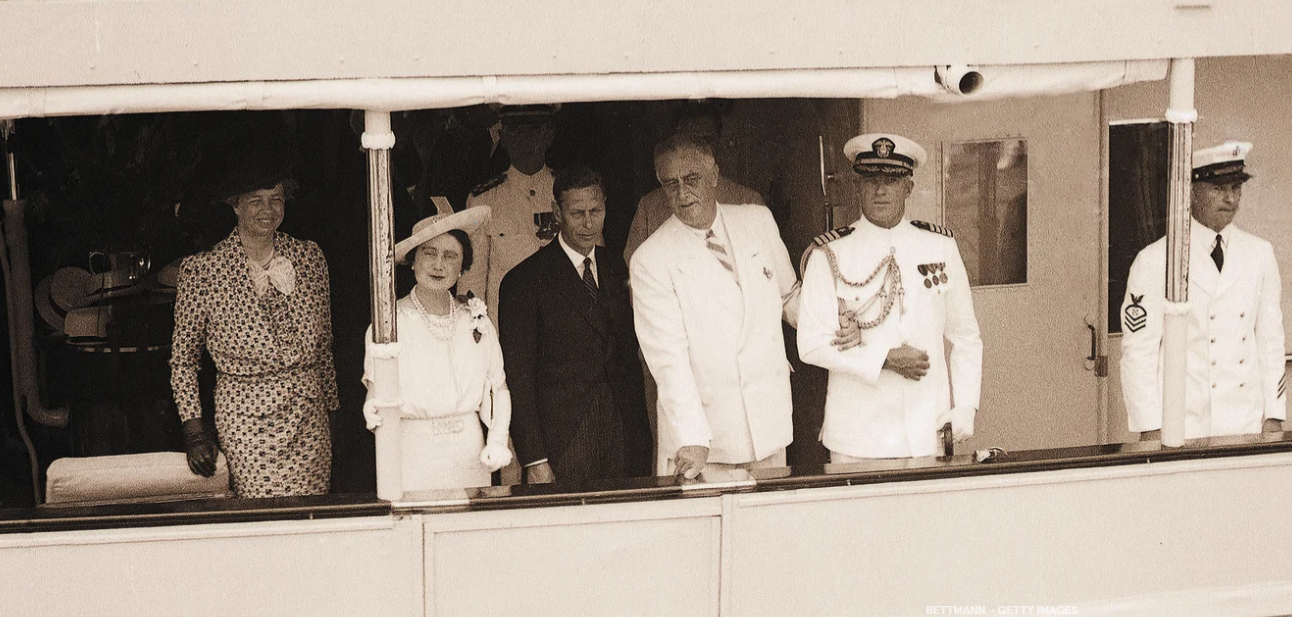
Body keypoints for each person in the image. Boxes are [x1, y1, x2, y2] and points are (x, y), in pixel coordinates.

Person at [797, 133, 983, 461]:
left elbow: (966, 336)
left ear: (908, 187)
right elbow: (811, 344)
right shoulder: (830, 252)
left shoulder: (939, 246)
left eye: (892, 180)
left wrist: (965, 405)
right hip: (858, 439)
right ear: (857, 187)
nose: (881, 190)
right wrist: (884, 358)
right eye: (870, 180)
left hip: (927, 431)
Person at [171, 145, 338, 498]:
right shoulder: (202, 271)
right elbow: (184, 361)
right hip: (247, 420)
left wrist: (333, 409)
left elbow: (324, 345)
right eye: (255, 200)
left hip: (309, 419)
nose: (268, 210)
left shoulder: (309, 257)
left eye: (275, 199)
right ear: (235, 204)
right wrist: (195, 432)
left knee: (312, 521)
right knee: (262, 521)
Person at [629, 134, 800, 479]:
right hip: (706, 441)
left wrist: (835, 322)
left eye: (691, 179)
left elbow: (789, 297)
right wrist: (692, 436)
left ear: (714, 175)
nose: (682, 193)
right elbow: (667, 358)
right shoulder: (650, 258)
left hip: (767, 425)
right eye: (670, 184)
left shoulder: (757, 220)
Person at [1120, 140, 1286, 440]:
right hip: (1183, 428)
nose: (1230, 199)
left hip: (1244, 424)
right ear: (1192, 192)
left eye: (1236, 188)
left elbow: (1271, 342)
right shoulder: (1157, 259)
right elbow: (1139, 353)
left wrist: (1274, 415)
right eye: (1219, 188)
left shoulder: (1260, 254)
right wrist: (1149, 427)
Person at [498, 166, 651, 484]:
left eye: (596, 211)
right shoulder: (524, 281)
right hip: (562, 440)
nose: (588, 223)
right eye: (577, 212)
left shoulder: (615, 267)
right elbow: (518, 378)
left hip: (622, 431)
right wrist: (535, 458)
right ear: (557, 212)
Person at [361, 205, 513, 491]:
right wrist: (373, 408)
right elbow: (376, 393)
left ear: (462, 267)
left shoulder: (476, 319)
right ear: (413, 262)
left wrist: (497, 439)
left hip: (470, 454)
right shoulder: (390, 323)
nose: (439, 265)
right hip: (414, 454)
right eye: (429, 254)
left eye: (450, 256)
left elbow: (499, 387)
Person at [623, 101, 764, 266]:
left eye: (706, 140)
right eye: (689, 140)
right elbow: (635, 268)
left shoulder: (747, 201)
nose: (697, 149)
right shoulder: (649, 207)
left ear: (718, 142)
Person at [458, 104, 559, 327]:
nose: (525, 141)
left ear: (549, 135)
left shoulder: (566, 193)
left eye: (534, 130)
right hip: (505, 334)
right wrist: (477, 338)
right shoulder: (483, 200)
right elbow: (472, 280)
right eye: (516, 132)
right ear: (503, 137)